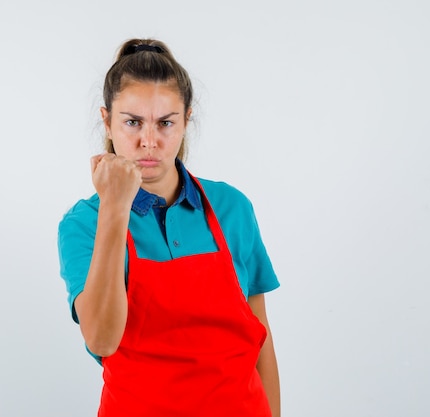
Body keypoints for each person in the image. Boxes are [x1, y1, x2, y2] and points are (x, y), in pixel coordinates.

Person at [57, 38, 281, 417]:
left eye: (165, 123)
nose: (149, 142)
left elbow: (260, 339)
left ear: (186, 120)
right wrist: (115, 205)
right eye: (132, 122)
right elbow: (101, 338)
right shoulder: (85, 224)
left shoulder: (232, 208)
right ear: (107, 121)